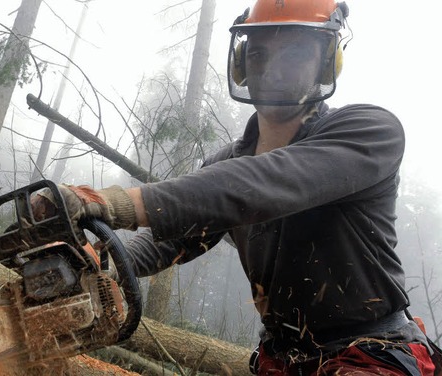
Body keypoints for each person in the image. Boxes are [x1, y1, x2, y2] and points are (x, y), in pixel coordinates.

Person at [31, 0, 439, 374]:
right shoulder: (226, 164)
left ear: (327, 62)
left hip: (367, 353)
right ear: (242, 62)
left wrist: (113, 203)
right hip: (281, 358)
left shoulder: (368, 132)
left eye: (295, 52)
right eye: (260, 53)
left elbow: (261, 183)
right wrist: (103, 263)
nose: (274, 68)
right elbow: (170, 238)